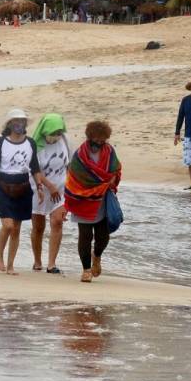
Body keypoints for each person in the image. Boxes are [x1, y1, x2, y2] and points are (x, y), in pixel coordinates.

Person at [0, 109, 45, 275]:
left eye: (22, 121)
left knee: (16, 228)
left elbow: (35, 167)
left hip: (23, 187)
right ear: (9, 124)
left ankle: (10, 266)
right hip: (2, 186)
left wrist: (39, 186)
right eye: (16, 121)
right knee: (7, 225)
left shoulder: (30, 142)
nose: (19, 124)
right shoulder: (1, 142)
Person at [65, 121, 122, 283]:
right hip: (82, 200)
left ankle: (96, 255)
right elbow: (73, 176)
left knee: (103, 236)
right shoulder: (80, 154)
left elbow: (116, 169)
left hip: (102, 200)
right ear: (90, 136)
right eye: (97, 138)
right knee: (85, 235)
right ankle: (86, 269)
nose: (100, 141)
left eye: (103, 139)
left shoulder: (110, 151)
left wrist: (111, 179)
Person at [30, 113, 71, 274]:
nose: (56, 137)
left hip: (60, 189)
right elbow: (35, 171)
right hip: (38, 188)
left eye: (59, 133)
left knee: (57, 222)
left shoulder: (66, 141)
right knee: (38, 226)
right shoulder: (34, 145)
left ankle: (51, 264)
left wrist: (68, 190)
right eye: (53, 134)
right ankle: (37, 261)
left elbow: (70, 165)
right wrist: (49, 186)